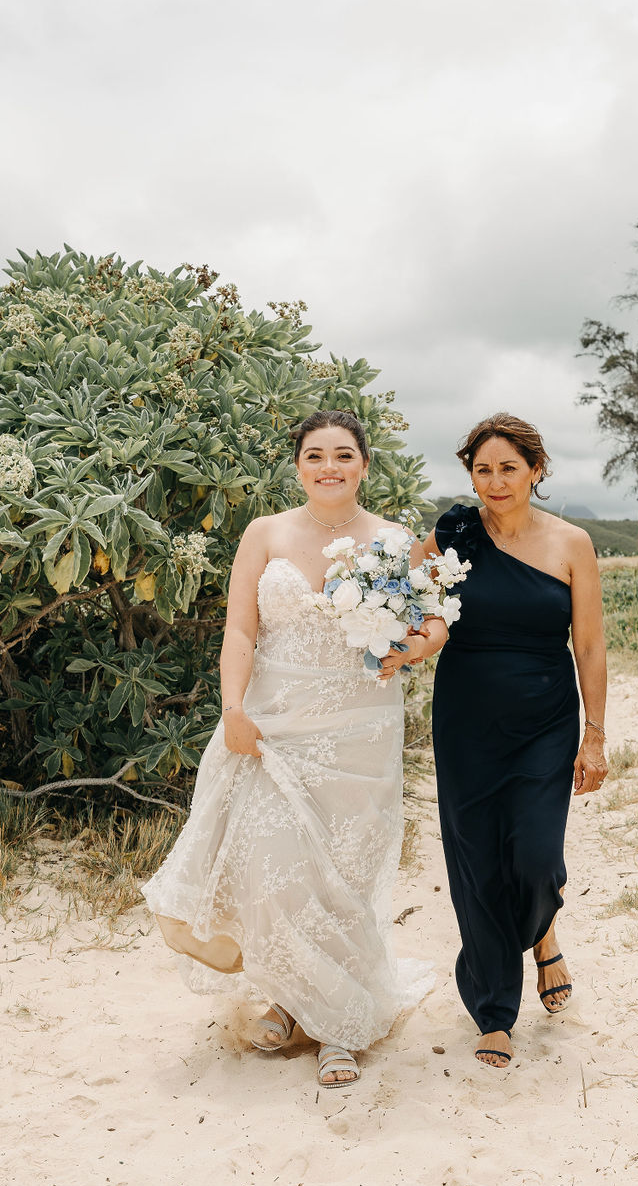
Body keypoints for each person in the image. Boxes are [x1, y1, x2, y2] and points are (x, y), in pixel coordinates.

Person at [142, 410, 444, 1089]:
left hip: (359, 728)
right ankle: (289, 995)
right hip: (274, 722)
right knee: (274, 865)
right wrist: (232, 707)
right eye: (315, 455)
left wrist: (415, 646)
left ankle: (338, 1026)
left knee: (344, 875)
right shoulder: (265, 532)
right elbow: (240, 632)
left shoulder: (395, 540)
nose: (329, 466)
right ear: (298, 464)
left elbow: (432, 623)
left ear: (365, 463)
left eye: (343, 454)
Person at [424, 413, 608, 1069]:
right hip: (466, 717)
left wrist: (595, 734)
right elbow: (411, 604)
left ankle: (543, 927)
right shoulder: (452, 534)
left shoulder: (571, 543)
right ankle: (495, 1013)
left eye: (509, 467)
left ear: (536, 469)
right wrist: (390, 641)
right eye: (482, 469)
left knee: (533, 857)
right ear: (469, 473)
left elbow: (587, 642)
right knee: (476, 862)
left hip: (545, 721)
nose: (495, 481)